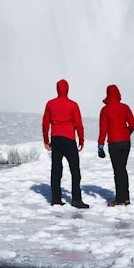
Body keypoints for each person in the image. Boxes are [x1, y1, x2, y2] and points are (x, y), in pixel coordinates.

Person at [42, 79, 89, 208]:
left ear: (57, 89)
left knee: (56, 169)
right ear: (67, 89)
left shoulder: (50, 104)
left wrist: (46, 140)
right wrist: (81, 140)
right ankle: (76, 200)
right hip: (69, 139)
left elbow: (46, 124)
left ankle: (56, 198)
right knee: (75, 170)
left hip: (56, 138)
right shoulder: (73, 105)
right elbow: (79, 125)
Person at [97, 84, 134, 206]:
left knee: (117, 171)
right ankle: (126, 197)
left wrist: (100, 146)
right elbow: (133, 124)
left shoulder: (105, 110)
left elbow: (103, 130)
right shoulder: (125, 108)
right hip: (126, 142)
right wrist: (126, 133)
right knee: (122, 169)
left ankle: (120, 199)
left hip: (113, 142)